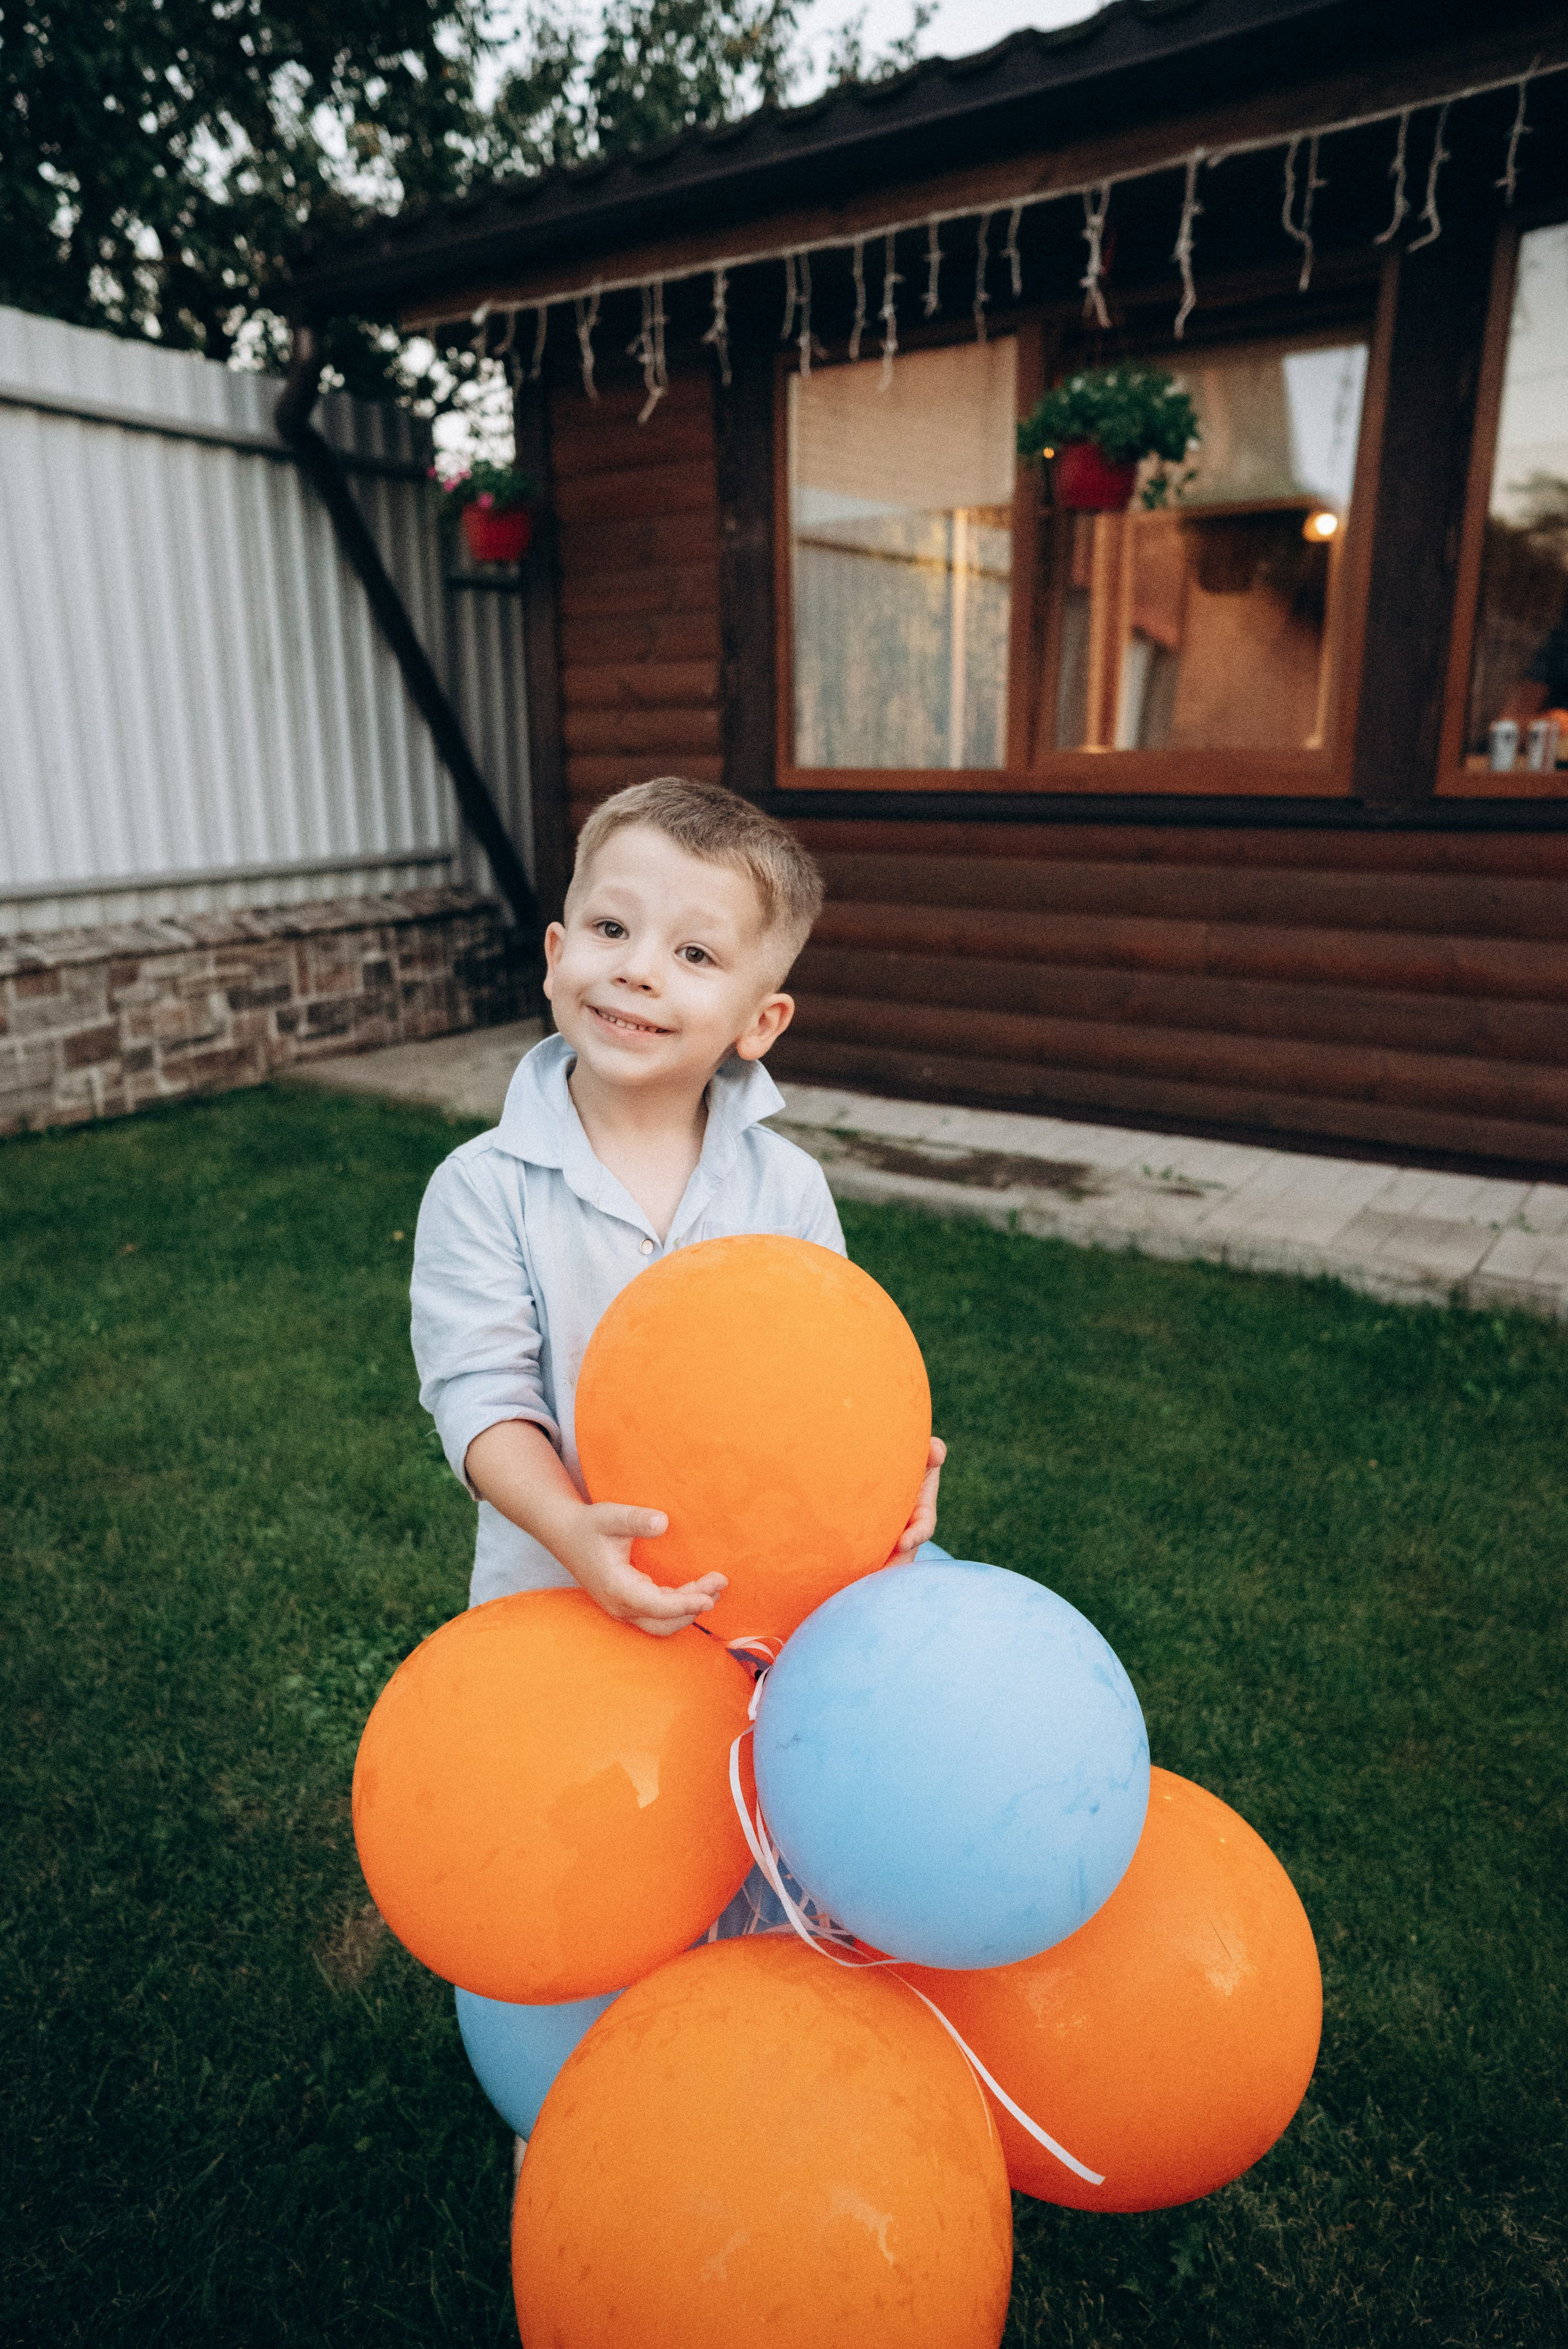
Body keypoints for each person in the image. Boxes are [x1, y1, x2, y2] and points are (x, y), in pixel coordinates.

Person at [410, 772, 944, 1632]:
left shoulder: (786, 1187)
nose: (637, 970)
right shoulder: (485, 1187)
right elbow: (483, 1398)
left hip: (754, 1590)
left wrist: (891, 1470)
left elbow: (833, 1378)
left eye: (694, 955)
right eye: (612, 928)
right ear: (555, 957)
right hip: (560, 1592)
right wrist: (569, 1528)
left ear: (760, 1022)